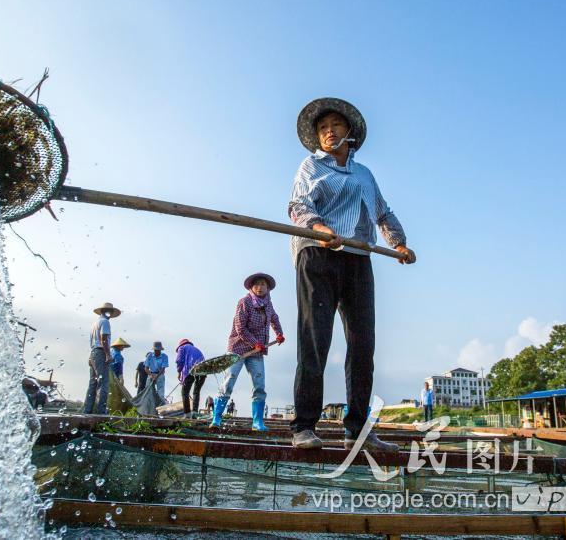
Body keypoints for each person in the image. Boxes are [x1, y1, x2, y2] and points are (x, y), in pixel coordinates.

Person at [288, 98, 416, 450]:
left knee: (363, 345)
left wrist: (399, 244)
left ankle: (358, 430)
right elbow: (298, 206)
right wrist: (318, 227)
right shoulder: (311, 166)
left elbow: (383, 213)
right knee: (316, 339)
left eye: (335, 126)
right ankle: (303, 426)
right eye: (323, 127)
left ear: (350, 133)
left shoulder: (364, 174)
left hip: (358, 257)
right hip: (318, 252)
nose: (328, 131)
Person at [211, 273, 285, 431]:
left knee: (259, 386)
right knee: (228, 382)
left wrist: (279, 333)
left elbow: (274, 318)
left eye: (263, 284)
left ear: (268, 288)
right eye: (257, 284)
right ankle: (216, 419)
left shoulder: (268, 304)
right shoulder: (244, 302)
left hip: (257, 352)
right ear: (251, 287)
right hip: (238, 349)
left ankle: (257, 422)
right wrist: (255, 343)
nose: (260, 287)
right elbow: (240, 328)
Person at [84, 302, 120, 415]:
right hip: (101, 352)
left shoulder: (95, 323)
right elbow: (103, 339)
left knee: (93, 382)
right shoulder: (105, 322)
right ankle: (101, 411)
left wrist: (91, 356)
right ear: (105, 312)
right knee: (103, 382)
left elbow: (94, 341)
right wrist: (108, 354)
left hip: (94, 352)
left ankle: (88, 410)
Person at [175, 339, 206, 417]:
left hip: (191, 369)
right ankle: (195, 412)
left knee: (184, 392)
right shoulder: (196, 349)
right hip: (203, 370)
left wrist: (179, 372)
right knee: (196, 391)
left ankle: (187, 413)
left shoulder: (181, 348)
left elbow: (179, 360)